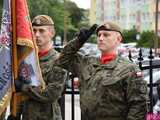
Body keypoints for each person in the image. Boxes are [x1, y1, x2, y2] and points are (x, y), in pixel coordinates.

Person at [56, 22, 148, 120]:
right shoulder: (86, 63)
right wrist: (78, 41)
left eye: (106, 35)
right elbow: (62, 60)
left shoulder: (129, 69)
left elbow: (139, 106)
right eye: (99, 35)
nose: (100, 38)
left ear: (118, 39)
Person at [14, 15, 67, 120]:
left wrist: (24, 87)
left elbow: (51, 94)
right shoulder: (28, 59)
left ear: (52, 33)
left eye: (41, 31)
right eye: (34, 31)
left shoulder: (59, 60)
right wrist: (15, 114)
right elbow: (20, 95)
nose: (37, 35)